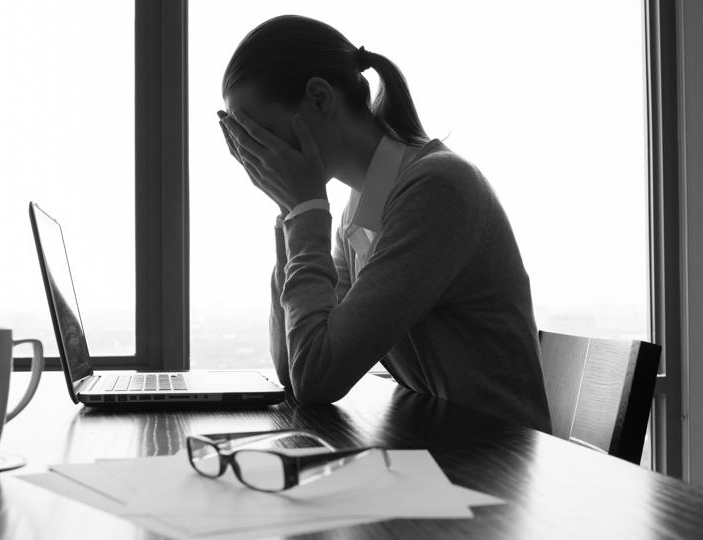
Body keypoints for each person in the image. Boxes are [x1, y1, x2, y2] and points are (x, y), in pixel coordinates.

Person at [218, 15, 551, 433]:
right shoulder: (359, 208)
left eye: (262, 134)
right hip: (443, 451)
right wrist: (292, 214)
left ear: (320, 98)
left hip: (496, 465)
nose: (258, 158)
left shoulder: (437, 188)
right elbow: (295, 367)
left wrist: (303, 212)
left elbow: (317, 377)